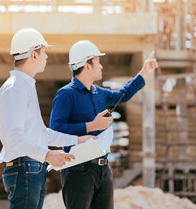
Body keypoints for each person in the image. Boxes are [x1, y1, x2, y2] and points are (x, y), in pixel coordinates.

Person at [50, 40, 158, 209]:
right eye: (98, 61)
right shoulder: (65, 95)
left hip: (103, 169)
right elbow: (55, 131)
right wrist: (90, 126)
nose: (101, 66)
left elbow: (124, 94)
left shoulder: (99, 93)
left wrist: (145, 71)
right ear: (87, 65)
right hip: (78, 170)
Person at [0, 29, 94, 209]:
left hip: (31, 169)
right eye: (44, 52)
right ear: (34, 55)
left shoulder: (24, 86)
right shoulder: (15, 89)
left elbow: (41, 133)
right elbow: (13, 137)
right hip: (24, 169)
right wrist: (48, 155)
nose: (47, 57)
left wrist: (78, 139)